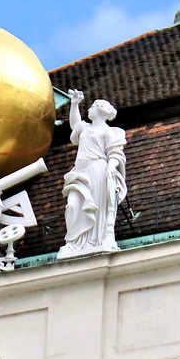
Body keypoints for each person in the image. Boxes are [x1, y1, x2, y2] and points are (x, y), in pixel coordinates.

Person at [58, 91, 127, 259]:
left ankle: (95, 240)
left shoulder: (107, 131)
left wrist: (111, 167)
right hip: (80, 171)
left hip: (98, 170)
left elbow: (115, 153)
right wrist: (75, 104)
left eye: (92, 106)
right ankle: (75, 243)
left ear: (100, 110)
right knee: (73, 205)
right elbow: (75, 124)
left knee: (97, 205)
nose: (89, 108)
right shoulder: (84, 128)